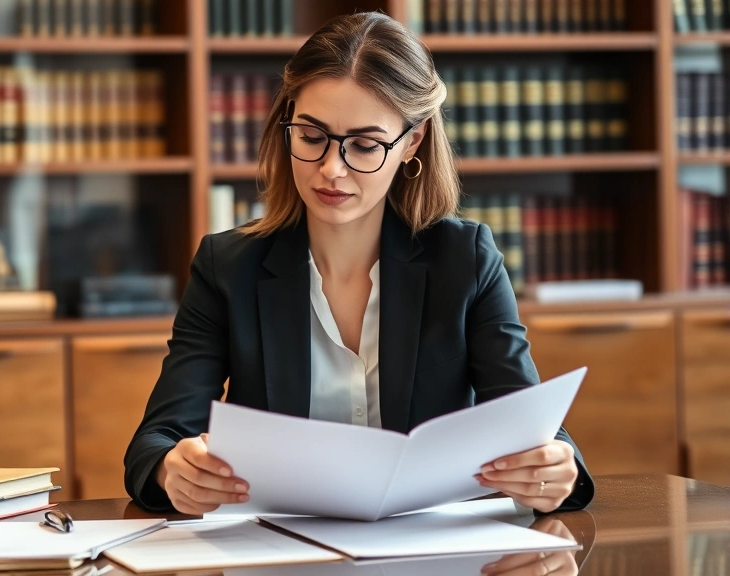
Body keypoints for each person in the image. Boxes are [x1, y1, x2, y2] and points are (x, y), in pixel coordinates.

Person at [124, 11, 594, 516]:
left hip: (434, 552)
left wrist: (554, 469)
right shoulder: (227, 268)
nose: (331, 168)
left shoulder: (466, 261)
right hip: (277, 549)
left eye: (365, 146)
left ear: (411, 142)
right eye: (311, 137)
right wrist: (172, 469)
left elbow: (533, 430)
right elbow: (157, 440)